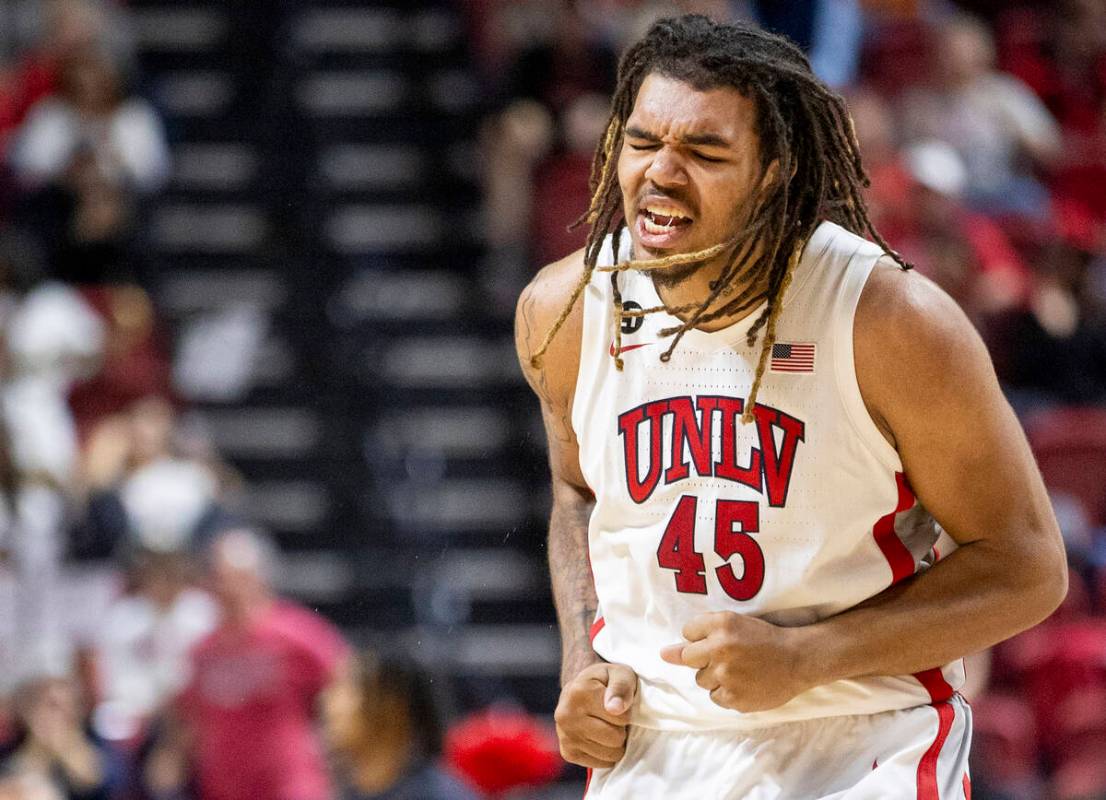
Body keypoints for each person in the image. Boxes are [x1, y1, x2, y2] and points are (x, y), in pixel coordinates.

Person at [513, 15, 1067, 798]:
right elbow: (577, 494)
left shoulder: (890, 320)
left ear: (775, 169)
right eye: (641, 142)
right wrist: (583, 662)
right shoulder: (564, 310)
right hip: (659, 745)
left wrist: (809, 657)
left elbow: (1028, 567)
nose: (660, 174)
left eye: (704, 152)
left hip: (861, 739)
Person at [145, 528, 349, 800]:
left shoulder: (296, 634)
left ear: (257, 578)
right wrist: (171, 759)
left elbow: (346, 681)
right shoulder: (204, 650)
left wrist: (334, 746)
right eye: (216, 578)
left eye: (230, 578)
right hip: (225, 789)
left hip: (291, 786)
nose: (223, 587)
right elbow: (189, 717)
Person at [321, 650, 478, 800]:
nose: (327, 701)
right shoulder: (350, 789)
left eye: (346, 687)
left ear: (393, 707)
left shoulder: (435, 794)